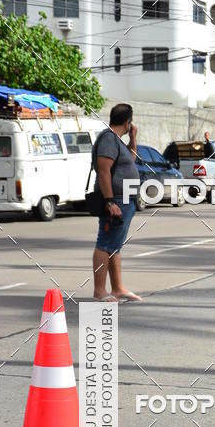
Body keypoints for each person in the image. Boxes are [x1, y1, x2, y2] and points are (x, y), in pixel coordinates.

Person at [92, 103, 141, 302]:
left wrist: (133, 139)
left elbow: (131, 159)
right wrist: (110, 201)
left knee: (114, 245)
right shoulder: (108, 139)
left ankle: (118, 288)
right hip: (116, 200)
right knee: (104, 244)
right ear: (127, 122)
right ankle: (99, 291)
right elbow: (104, 171)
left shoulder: (118, 141)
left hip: (124, 199)